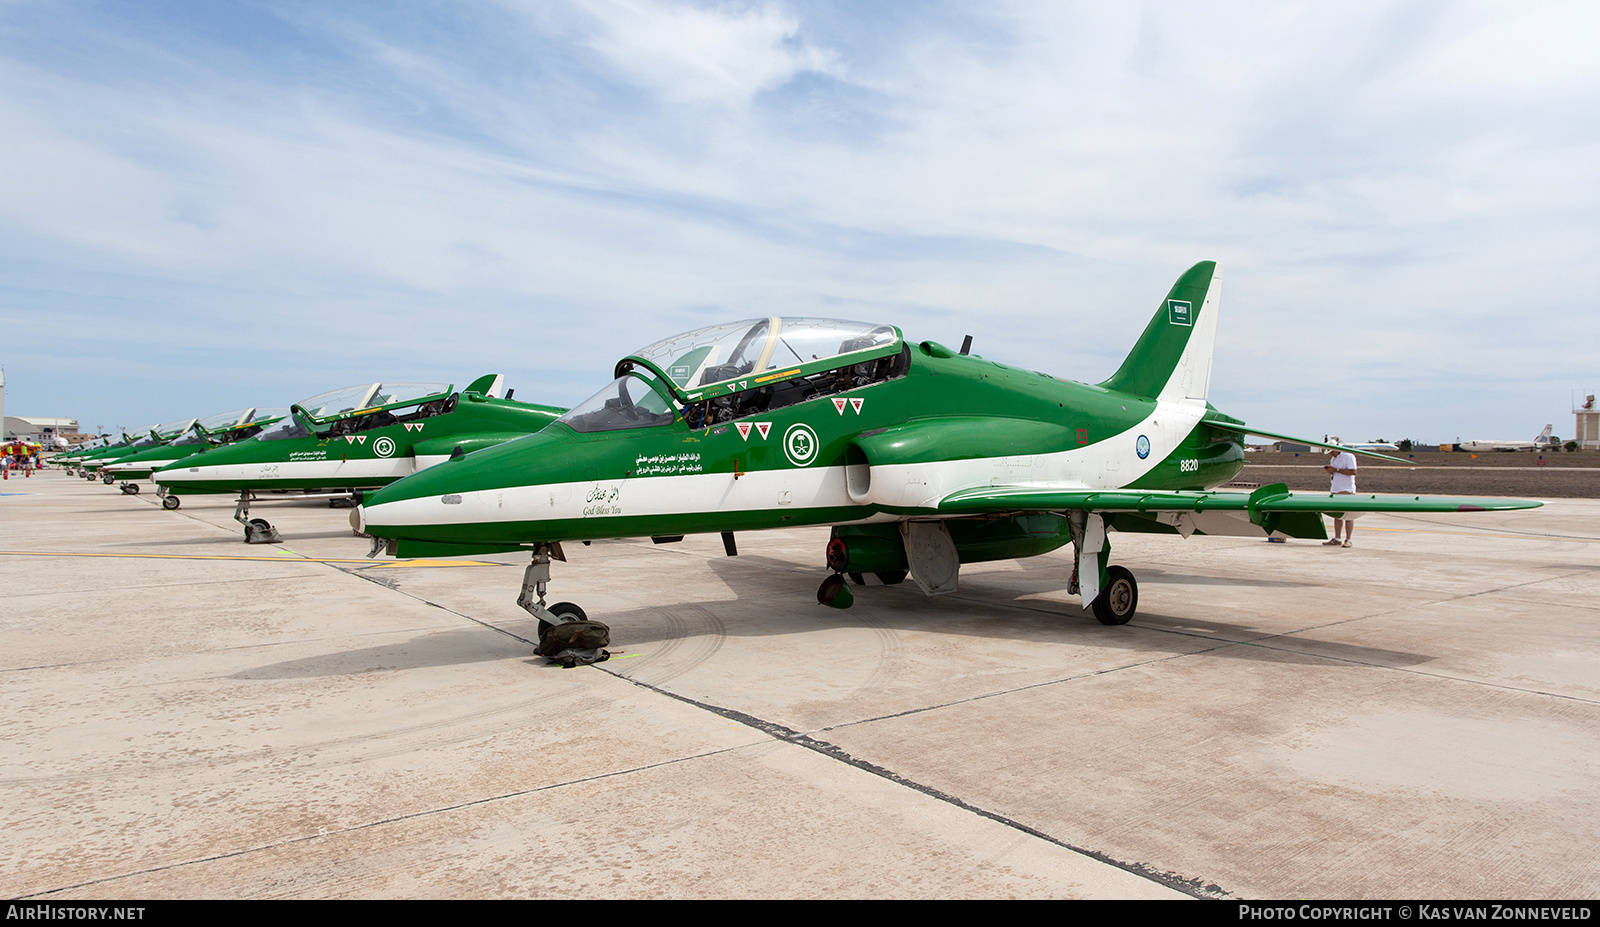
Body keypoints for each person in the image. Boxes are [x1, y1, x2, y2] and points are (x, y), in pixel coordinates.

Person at [1323, 442, 1357, 548]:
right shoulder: (1334, 459)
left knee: (1348, 515)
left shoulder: (1348, 456)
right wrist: (1331, 471)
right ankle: (1337, 538)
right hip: (1336, 489)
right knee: (1337, 515)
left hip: (1346, 489)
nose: (1331, 454)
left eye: (1331, 451)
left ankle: (1348, 539)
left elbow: (1353, 471)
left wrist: (1336, 470)